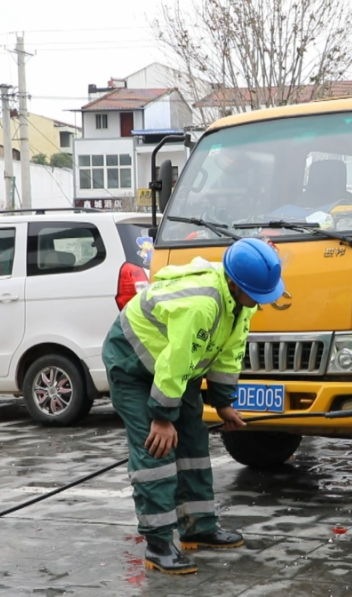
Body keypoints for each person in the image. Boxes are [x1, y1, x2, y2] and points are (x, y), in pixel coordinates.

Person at [102, 238, 285, 575]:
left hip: (173, 370)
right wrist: (160, 417)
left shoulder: (241, 303)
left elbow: (229, 352)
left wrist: (224, 402)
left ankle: (198, 527)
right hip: (134, 364)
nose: (262, 303)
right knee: (155, 450)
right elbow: (175, 361)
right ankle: (158, 544)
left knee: (193, 442)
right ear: (235, 283)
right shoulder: (202, 304)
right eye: (257, 295)